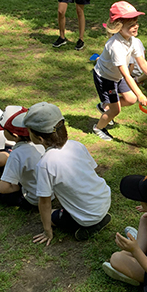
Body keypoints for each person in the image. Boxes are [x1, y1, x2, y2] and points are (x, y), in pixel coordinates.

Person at [25, 102, 112, 243]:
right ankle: (96, 218)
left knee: (52, 215)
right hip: (104, 201)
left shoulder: (45, 163)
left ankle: (86, 225)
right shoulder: (76, 145)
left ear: (40, 139)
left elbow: (44, 202)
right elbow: (92, 170)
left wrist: (47, 232)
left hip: (87, 216)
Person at [91, 1, 147, 142]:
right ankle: (98, 128)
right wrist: (141, 95)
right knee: (115, 110)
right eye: (131, 24)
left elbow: (142, 62)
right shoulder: (115, 46)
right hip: (105, 78)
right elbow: (126, 74)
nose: (136, 26)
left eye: (136, 22)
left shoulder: (133, 40)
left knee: (131, 99)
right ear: (118, 27)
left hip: (116, 76)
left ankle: (104, 106)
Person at [0, 106, 47, 210]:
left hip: (33, 199)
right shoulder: (42, 142)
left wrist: (16, 186)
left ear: (14, 135)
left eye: (3, 130)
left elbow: (4, 188)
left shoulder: (16, 154)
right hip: (51, 191)